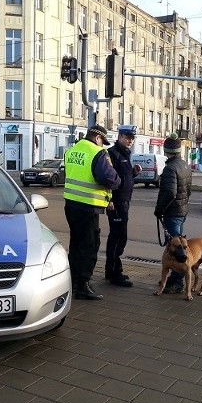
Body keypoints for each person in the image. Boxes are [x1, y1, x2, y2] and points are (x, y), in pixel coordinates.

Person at [64, 124, 122, 300]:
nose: (103, 145)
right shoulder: (97, 153)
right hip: (88, 207)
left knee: (75, 244)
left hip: (71, 204)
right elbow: (109, 178)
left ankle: (72, 282)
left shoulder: (72, 150)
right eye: (102, 142)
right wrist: (118, 181)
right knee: (89, 246)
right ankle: (83, 285)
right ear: (97, 138)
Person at [154, 133, 192, 293]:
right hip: (182, 211)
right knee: (180, 245)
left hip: (172, 213)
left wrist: (159, 210)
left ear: (167, 151)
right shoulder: (185, 165)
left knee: (177, 249)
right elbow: (188, 190)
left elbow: (169, 192)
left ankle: (177, 281)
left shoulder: (170, 168)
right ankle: (173, 279)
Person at [104, 125, 142, 287]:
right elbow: (108, 178)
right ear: (119, 137)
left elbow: (121, 176)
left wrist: (133, 173)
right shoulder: (113, 154)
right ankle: (114, 273)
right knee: (118, 237)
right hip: (117, 203)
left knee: (119, 237)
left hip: (124, 201)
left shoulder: (124, 154)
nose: (130, 141)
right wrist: (109, 200)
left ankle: (112, 270)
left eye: (132, 138)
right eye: (127, 137)